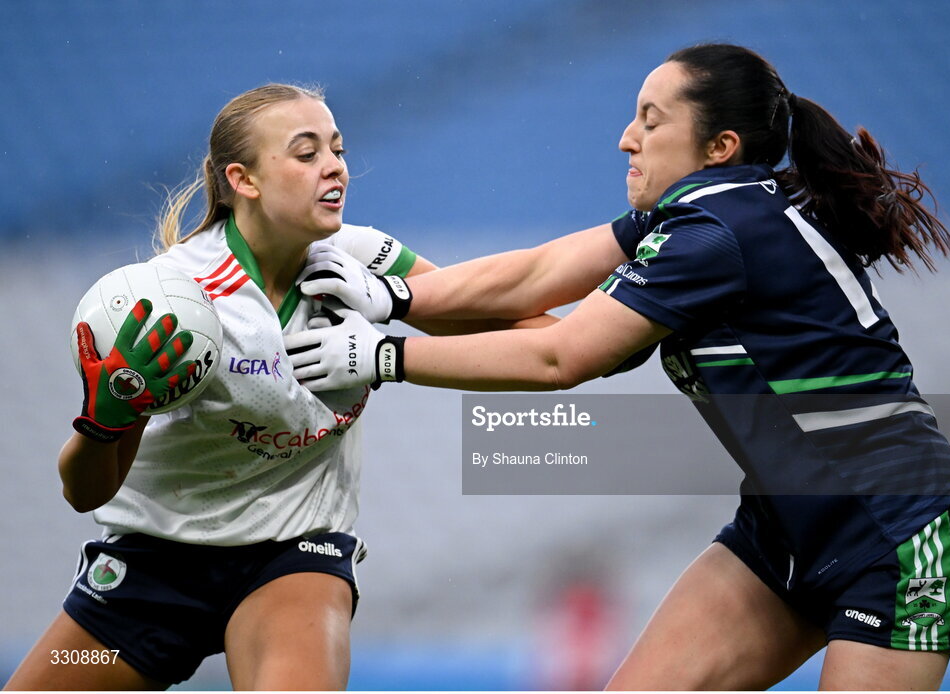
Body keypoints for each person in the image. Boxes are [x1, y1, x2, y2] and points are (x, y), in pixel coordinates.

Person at [288, 44, 950, 690]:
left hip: (898, 538)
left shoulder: (716, 233)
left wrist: (381, 355)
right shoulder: (709, 213)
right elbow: (541, 274)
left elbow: (561, 355)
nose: (627, 137)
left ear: (719, 147)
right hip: (785, 530)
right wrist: (398, 287)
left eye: (650, 121)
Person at [3, 83, 545, 691]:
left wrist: (625, 314)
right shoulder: (171, 301)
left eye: (336, 149)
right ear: (244, 180)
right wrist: (104, 421)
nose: (334, 166)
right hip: (153, 573)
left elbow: (536, 337)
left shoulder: (362, 260)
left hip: (293, 556)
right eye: (306, 152)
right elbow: (84, 492)